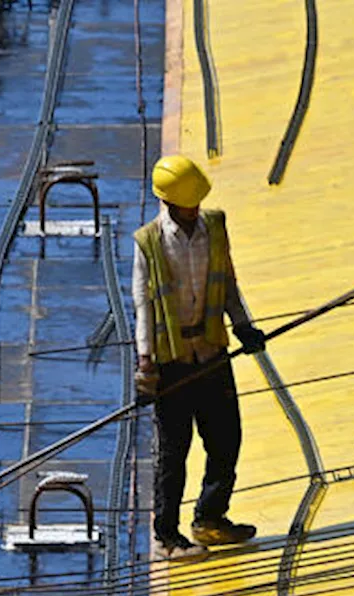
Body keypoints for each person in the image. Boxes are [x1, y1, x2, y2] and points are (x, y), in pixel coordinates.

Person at [132, 155, 269, 561]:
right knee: (174, 452)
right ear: (169, 203)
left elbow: (227, 283)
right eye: (186, 205)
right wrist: (145, 366)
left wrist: (244, 326)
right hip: (172, 361)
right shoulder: (149, 243)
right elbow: (144, 307)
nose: (193, 211)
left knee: (226, 439)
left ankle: (210, 518)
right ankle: (167, 536)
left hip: (211, 351)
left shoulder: (214, 228)